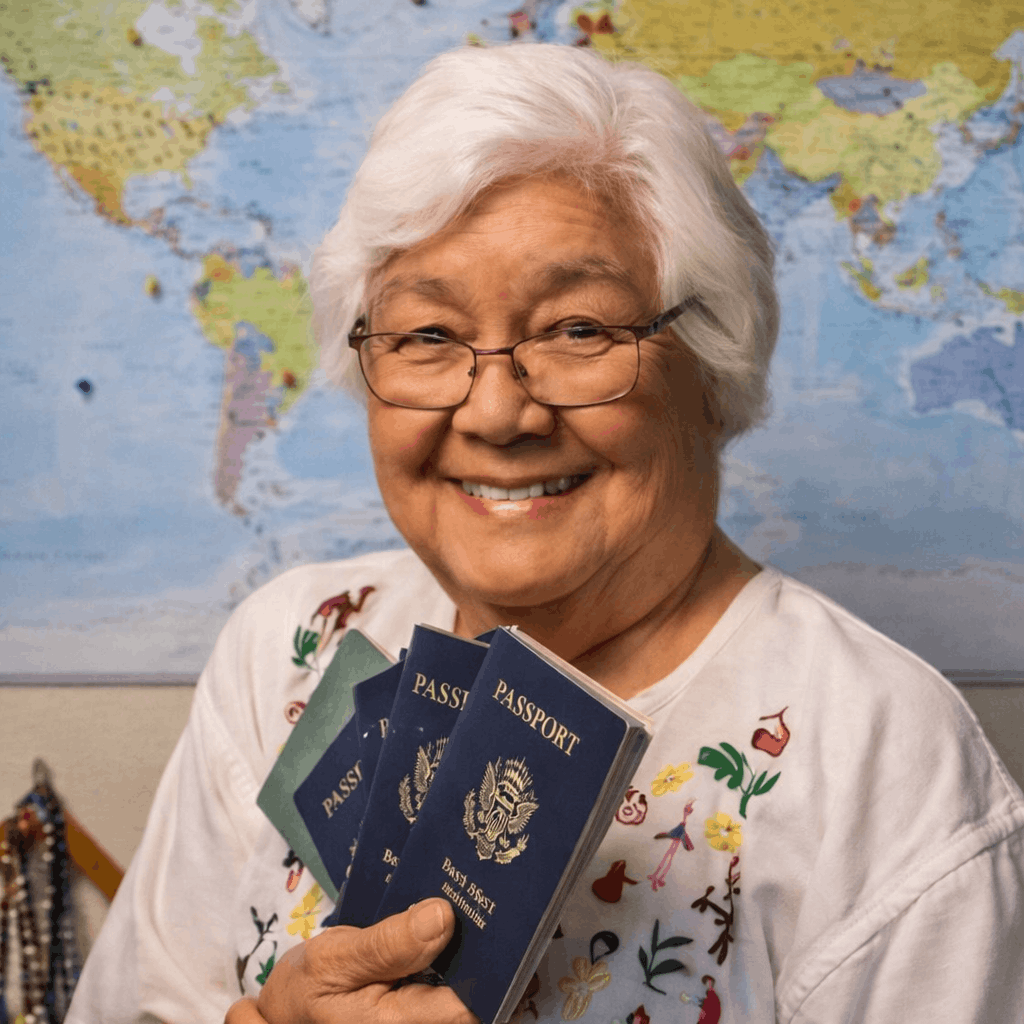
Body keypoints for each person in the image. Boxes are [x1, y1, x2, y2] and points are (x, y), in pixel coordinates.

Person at [67, 43, 1024, 1024]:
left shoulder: (879, 757)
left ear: (712, 361)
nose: (496, 413)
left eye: (578, 330)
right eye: (428, 335)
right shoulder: (287, 651)